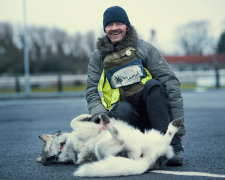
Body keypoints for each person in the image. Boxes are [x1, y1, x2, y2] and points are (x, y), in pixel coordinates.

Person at [86, 6, 185, 166]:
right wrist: (100, 118)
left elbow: (171, 84)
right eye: (109, 25)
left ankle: (168, 148)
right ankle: (130, 148)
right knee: (123, 108)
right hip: (124, 116)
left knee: (154, 86)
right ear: (105, 29)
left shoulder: (145, 49)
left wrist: (178, 129)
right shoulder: (98, 56)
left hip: (155, 115)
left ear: (127, 26)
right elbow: (91, 91)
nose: (114, 28)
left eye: (119, 23)